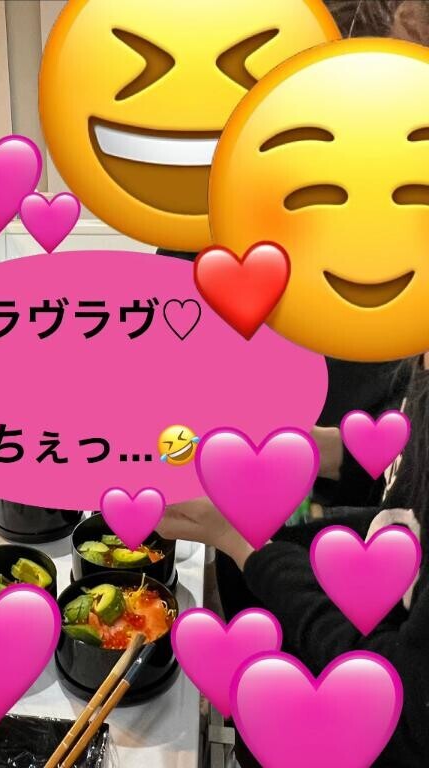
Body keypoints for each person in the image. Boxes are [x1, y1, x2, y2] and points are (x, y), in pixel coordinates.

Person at [158, 3, 429, 764]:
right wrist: (306, 449)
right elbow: (403, 478)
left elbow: (402, 712)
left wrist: (241, 536)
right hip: (299, 552)